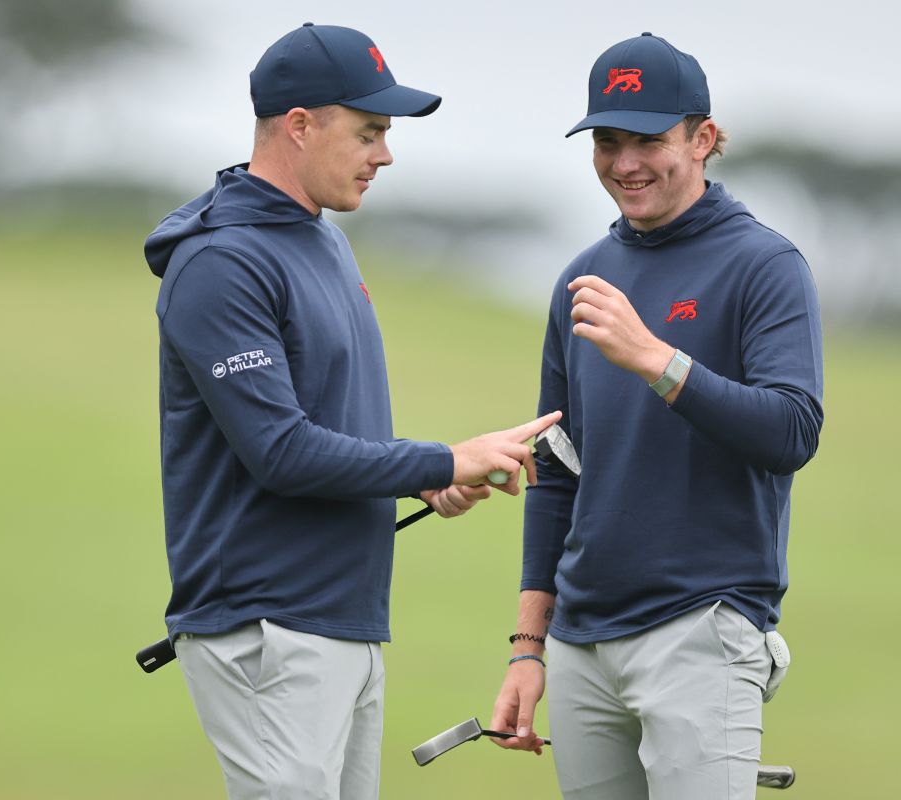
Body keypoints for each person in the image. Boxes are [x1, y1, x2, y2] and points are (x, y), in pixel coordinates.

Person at [144, 22, 560, 800]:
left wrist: (424, 478)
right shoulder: (221, 261)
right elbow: (281, 450)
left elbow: (328, 425)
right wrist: (446, 457)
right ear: (300, 126)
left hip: (342, 619)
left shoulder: (322, 240)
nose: (385, 155)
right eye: (368, 132)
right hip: (267, 627)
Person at [488, 32, 824, 799]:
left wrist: (655, 359)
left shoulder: (764, 265)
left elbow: (791, 432)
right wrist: (528, 648)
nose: (625, 163)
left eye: (648, 140)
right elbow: (555, 473)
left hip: (703, 627)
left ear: (703, 139)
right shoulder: (583, 277)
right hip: (581, 644)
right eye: (608, 142)